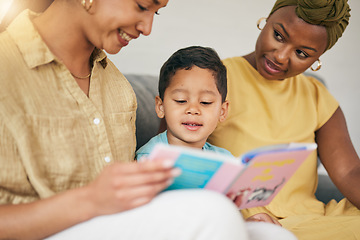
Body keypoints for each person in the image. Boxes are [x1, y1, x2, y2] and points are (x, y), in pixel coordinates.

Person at [0, 1, 253, 239]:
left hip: (121, 223)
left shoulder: (118, 88)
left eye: (156, 12)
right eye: (142, 6)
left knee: (269, 234)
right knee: (214, 213)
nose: (147, 28)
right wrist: (90, 200)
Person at [207, 0, 360, 239]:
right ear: (266, 20)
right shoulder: (213, 80)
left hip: (311, 219)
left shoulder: (316, 95)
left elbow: (350, 172)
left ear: (317, 58)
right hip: (244, 218)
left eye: (301, 53)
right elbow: (176, 149)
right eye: (278, 35)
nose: (280, 56)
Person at [136, 46, 299, 239]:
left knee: (273, 233)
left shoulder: (224, 159)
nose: (193, 110)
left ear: (222, 112)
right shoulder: (150, 158)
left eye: (205, 102)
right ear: (160, 106)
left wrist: (248, 221)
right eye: (181, 101)